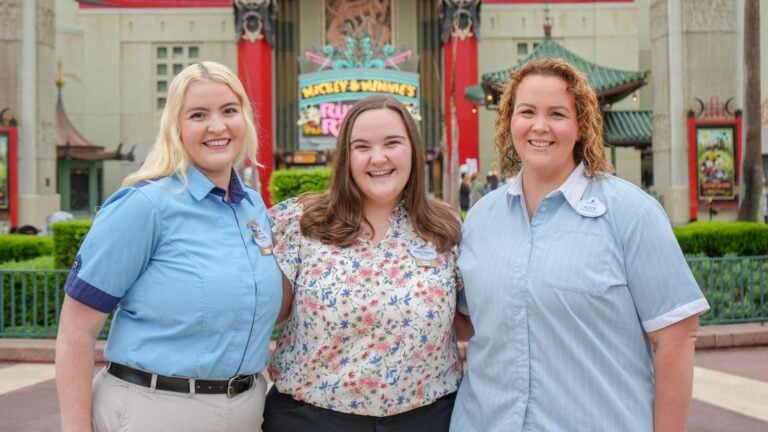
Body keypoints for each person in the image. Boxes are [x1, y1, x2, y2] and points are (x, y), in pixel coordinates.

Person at [450, 58, 710, 432]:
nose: (540, 127)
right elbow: (467, 322)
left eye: (557, 113)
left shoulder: (631, 214)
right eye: (527, 112)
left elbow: (677, 337)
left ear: (581, 125)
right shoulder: (480, 219)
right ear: (510, 121)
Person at [55, 61, 284, 432]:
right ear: (175, 128)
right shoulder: (143, 206)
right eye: (198, 114)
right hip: (153, 411)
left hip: (247, 411)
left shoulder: (254, 209)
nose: (217, 126)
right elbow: (76, 331)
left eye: (229, 110)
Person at [263, 94, 465, 431]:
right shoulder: (299, 222)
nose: (378, 157)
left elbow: (471, 320)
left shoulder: (446, 228)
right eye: (362, 147)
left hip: (426, 418)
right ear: (345, 157)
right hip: (311, 419)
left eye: (392, 143)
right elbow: (261, 312)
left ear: (413, 149)